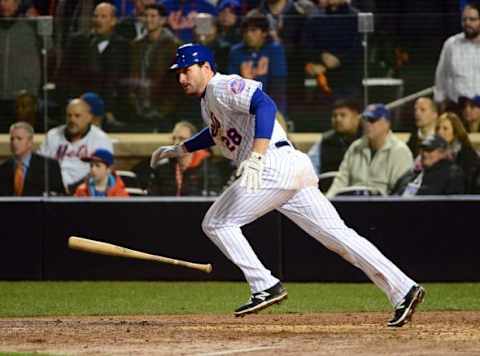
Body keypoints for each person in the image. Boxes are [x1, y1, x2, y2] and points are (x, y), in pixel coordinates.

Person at [150, 43, 425, 327]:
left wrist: (257, 155)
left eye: (187, 70)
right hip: (290, 166)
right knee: (340, 237)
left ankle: (264, 285)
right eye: (179, 72)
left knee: (217, 223)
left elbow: (265, 104)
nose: (182, 78)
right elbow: (216, 133)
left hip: (270, 164)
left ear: (206, 68)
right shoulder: (209, 100)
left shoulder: (222, 86)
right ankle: (404, 288)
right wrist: (182, 148)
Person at [326, 104, 414, 197]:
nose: (367, 124)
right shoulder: (356, 147)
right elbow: (341, 180)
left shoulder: (400, 152)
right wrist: (328, 201)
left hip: (383, 206)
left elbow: (400, 191)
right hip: (352, 203)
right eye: (365, 120)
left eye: (372, 120)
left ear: (386, 123)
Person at [37, 98, 114, 194]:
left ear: (89, 118)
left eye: (77, 116)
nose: (72, 120)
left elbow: (103, 173)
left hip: (85, 193)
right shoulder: (53, 135)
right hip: (52, 192)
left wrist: (73, 189)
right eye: (69, 116)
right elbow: (39, 165)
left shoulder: (101, 139)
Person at [135, 120, 231, 196]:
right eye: (174, 138)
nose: (176, 142)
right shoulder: (162, 168)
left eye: (181, 139)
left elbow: (211, 199)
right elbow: (152, 198)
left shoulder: (207, 170)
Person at [129, 3, 181, 130]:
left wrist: (165, 108)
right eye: (145, 16)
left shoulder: (174, 46)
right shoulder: (136, 45)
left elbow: (175, 82)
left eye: (153, 16)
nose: (148, 19)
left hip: (164, 111)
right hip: (139, 109)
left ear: (163, 20)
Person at [228, 11, 288, 115]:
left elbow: (278, 86)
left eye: (253, 30)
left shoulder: (275, 50)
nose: (248, 34)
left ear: (264, 32)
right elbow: (231, 84)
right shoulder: (236, 51)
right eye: (245, 31)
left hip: (269, 105)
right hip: (242, 106)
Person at [0, 0, 42, 131]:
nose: (3, 4)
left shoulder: (30, 25)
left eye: (7, 0)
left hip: (23, 98)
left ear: (17, 3)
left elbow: (48, 48)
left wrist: (38, 23)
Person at [434, 1, 480, 112]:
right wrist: (439, 104)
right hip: (457, 109)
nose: (467, 23)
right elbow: (441, 78)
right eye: (464, 19)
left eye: (472, 19)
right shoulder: (451, 44)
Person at [0, 122, 65, 196]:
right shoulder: (3, 169)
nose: (14, 142)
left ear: (30, 142)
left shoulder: (49, 166)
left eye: (19, 138)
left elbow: (60, 197)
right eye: (12, 139)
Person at [393, 135, 465, 196]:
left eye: (429, 150)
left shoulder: (452, 173)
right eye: (423, 150)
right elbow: (395, 193)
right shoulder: (414, 171)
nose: (425, 154)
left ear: (442, 153)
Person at [307, 98, 362, 175]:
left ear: (356, 118)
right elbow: (310, 169)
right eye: (334, 116)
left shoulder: (366, 140)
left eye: (343, 115)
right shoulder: (324, 141)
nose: (338, 119)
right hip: (328, 185)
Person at [436, 111, 480, 193]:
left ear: (455, 133)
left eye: (445, 128)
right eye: (438, 128)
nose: (440, 132)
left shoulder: (467, 155)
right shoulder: (434, 153)